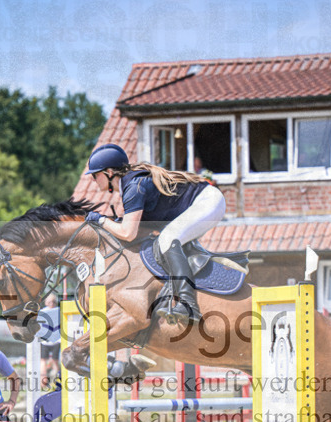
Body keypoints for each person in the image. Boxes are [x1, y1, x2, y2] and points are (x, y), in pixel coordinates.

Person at [84, 143, 226, 323]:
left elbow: (128, 234)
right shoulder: (130, 184)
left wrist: (101, 221)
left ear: (109, 172)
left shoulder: (133, 188)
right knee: (166, 241)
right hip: (204, 202)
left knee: (167, 240)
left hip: (208, 201)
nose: (93, 180)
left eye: (95, 175)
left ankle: (188, 303)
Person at [39, 293, 61, 389]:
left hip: (55, 340)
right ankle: (43, 382)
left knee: (55, 361)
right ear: (46, 302)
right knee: (43, 361)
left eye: (53, 301)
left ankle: (57, 381)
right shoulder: (44, 312)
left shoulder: (58, 311)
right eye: (50, 301)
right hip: (47, 340)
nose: (52, 303)